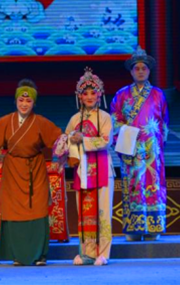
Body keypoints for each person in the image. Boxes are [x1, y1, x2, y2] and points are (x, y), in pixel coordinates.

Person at [0, 79, 63, 266]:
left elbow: (58, 139)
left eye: (28, 101)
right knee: (13, 210)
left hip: (35, 170)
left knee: (38, 209)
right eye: (21, 100)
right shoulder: (6, 121)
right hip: (13, 171)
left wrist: (69, 143)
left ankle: (39, 255)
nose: (24, 104)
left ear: (34, 103)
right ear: (15, 101)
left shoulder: (40, 122)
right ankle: (17, 255)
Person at [110, 46, 169, 241]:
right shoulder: (121, 95)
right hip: (131, 149)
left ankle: (153, 227)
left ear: (149, 71)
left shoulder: (158, 94)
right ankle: (133, 228)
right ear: (131, 72)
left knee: (153, 184)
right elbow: (115, 120)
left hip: (152, 149)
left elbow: (164, 123)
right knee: (133, 186)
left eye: (144, 68)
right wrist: (127, 140)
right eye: (137, 68)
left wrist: (157, 144)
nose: (141, 71)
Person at [63, 68, 114, 266]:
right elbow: (67, 140)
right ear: (80, 96)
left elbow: (106, 140)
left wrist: (83, 139)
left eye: (93, 92)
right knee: (85, 212)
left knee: (102, 212)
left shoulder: (105, 117)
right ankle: (87, 252)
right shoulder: (74, 119)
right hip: (82, 171)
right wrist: (68, 142)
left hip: (101, 169)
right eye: (85, 93)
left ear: (99, 94)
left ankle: (104, 253)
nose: (90, 96)